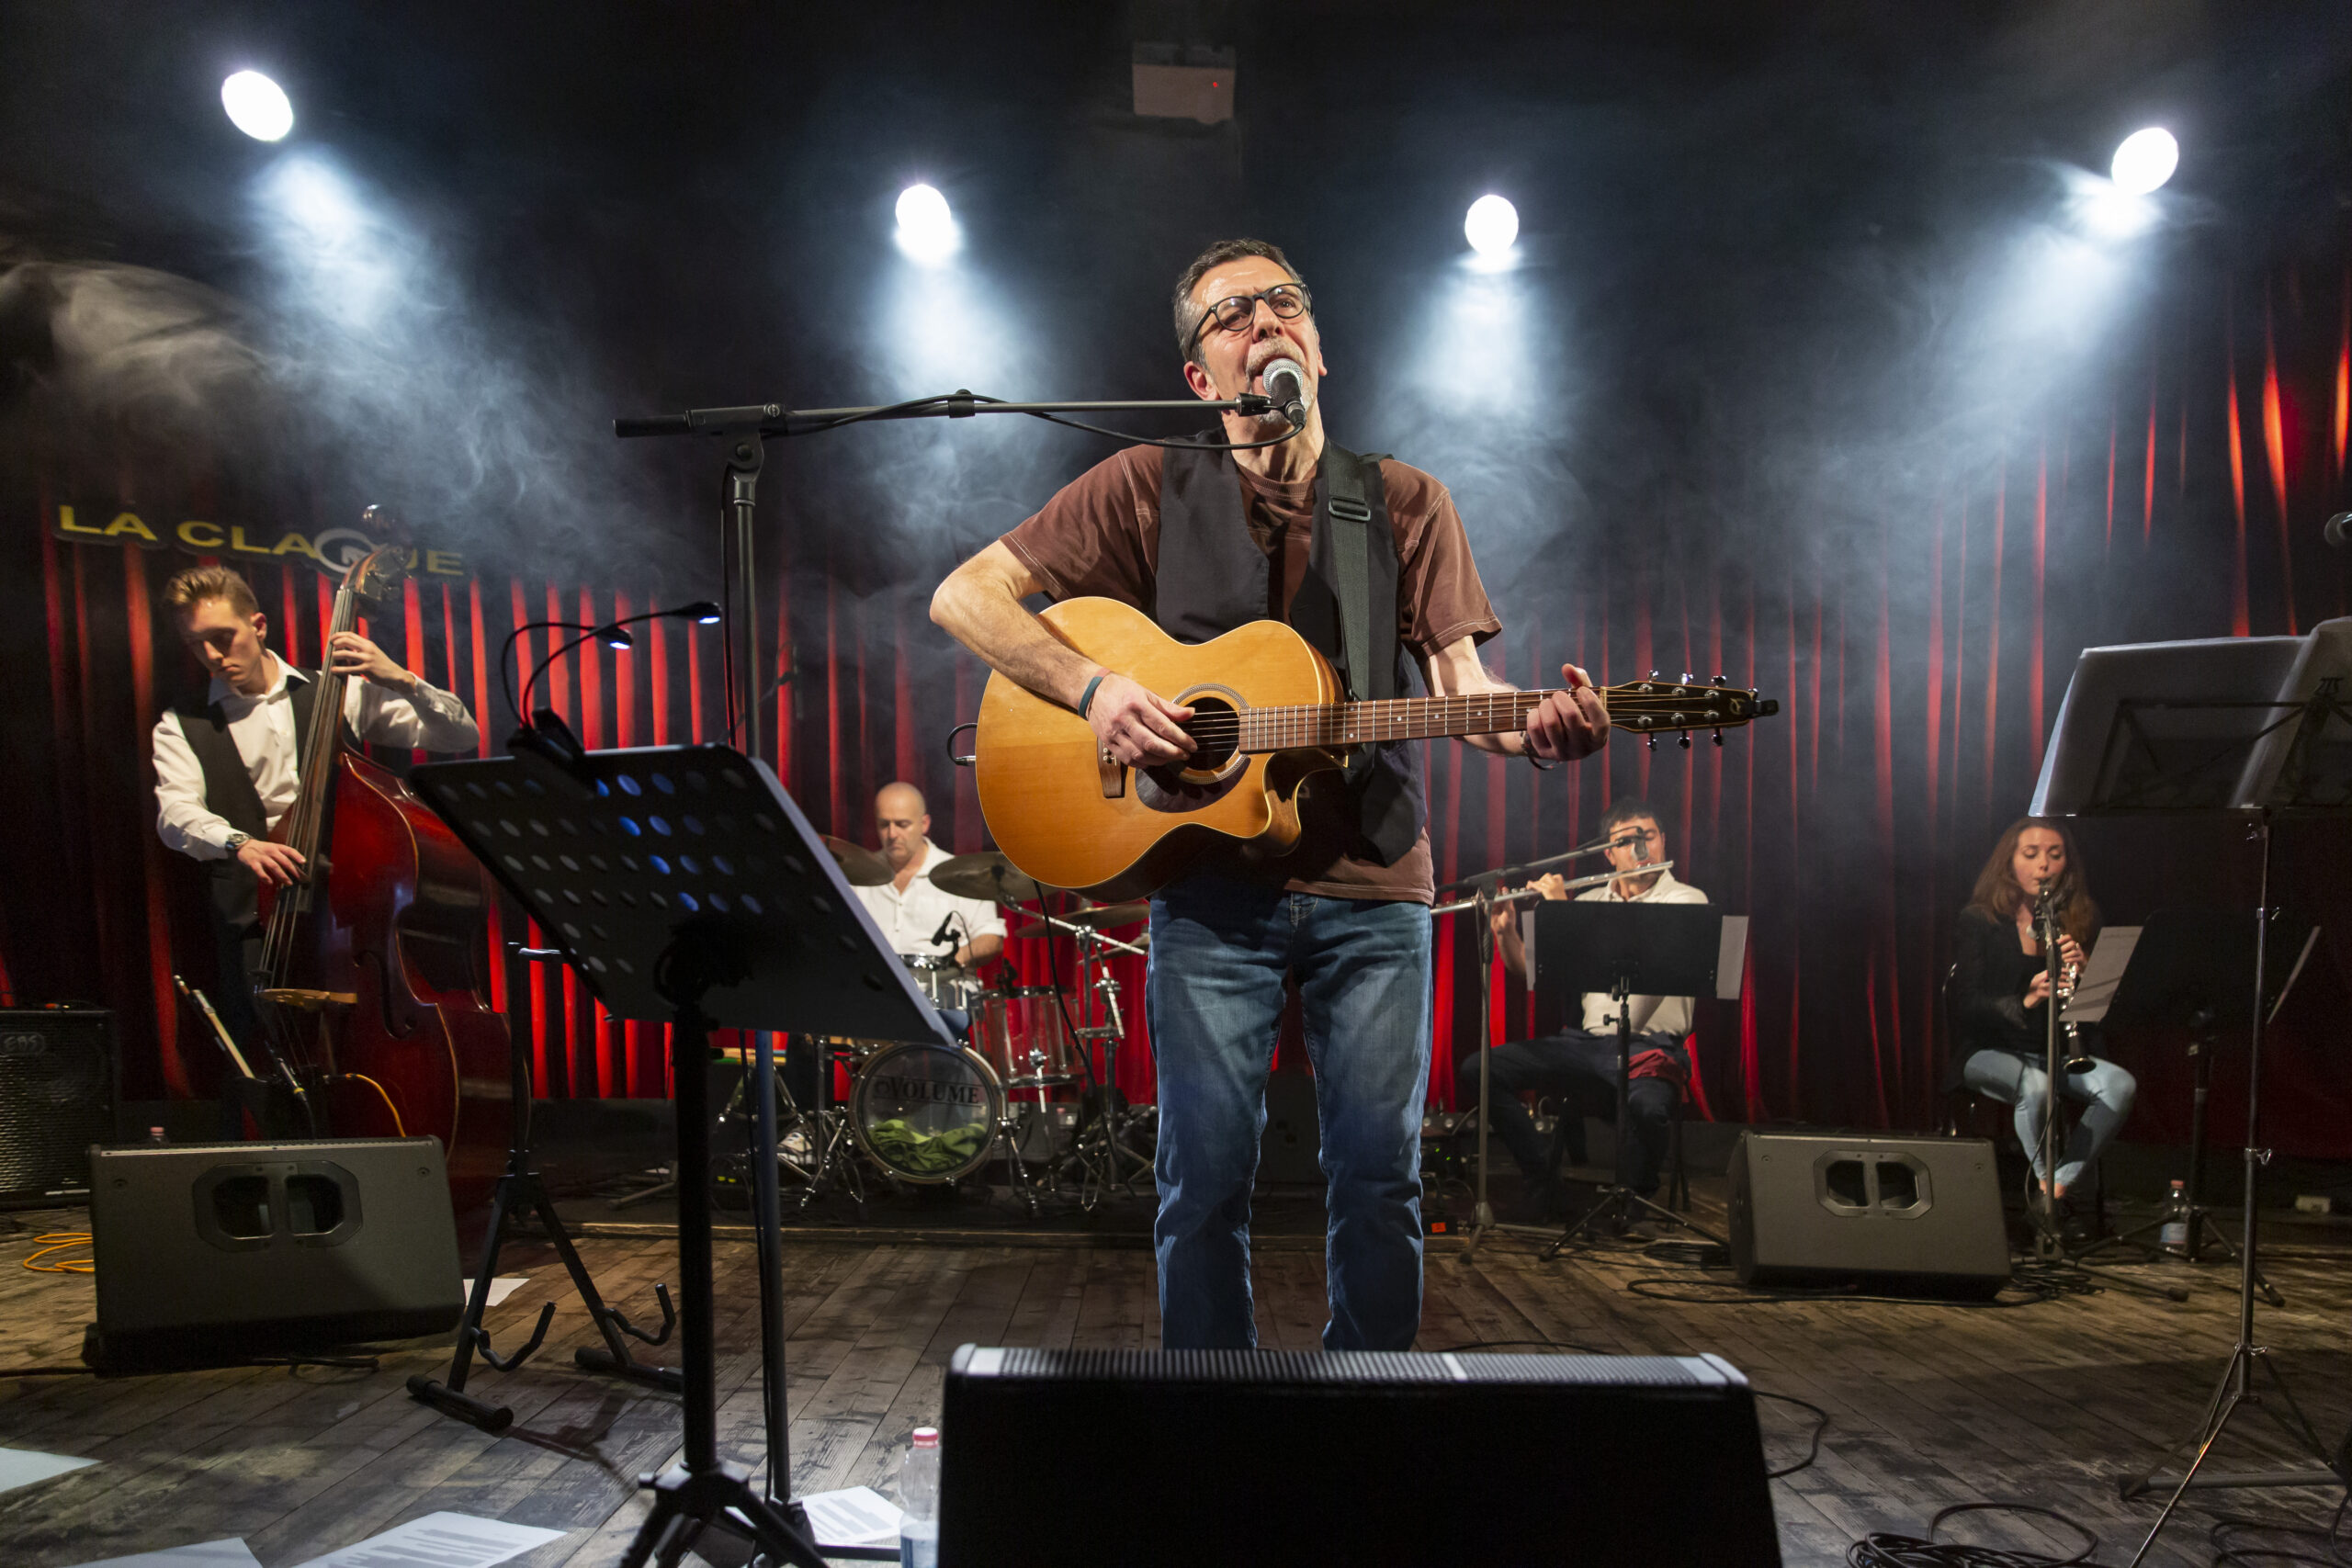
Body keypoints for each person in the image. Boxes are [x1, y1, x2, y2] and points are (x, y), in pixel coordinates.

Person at [931, 237, 1609, 1350]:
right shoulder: (1146, 483)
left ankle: (1370, 1421)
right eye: (1232, 313)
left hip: (1375, 886)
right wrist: (1096, 690)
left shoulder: (1399, 502)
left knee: (1381, 1184)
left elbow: (1463, 693)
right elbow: (968, 597)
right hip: (1207, 895)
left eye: (1284, 302)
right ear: (1201, 377)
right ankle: (1209, 1429)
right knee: (1200, 1189)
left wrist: (1537, 730)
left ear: (1319, 348)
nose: (1266, 321)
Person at [150, 563, 480, 1068]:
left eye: (223, 637)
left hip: (349, 909)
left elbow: (461, 736)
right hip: (260, 922)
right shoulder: (181, 723)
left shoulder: (335, 689)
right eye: (197, 644)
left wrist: (402, 678)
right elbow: (175, 814)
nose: (213, 656)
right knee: (265, 1063)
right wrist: (242, 844)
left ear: (258, 627)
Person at [1460, 798, 1706, 1223]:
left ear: (1663, 842)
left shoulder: (1686, 900)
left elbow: (1641, 975)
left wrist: (1562, 911)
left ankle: (1634, 1202)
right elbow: (1529, 971)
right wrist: (1506, 933)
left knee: (1648, 1108)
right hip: (1587, 1043)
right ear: (1608, 854)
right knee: (1479, 1070)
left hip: (1651, 1046)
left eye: (1646, 838)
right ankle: (1543, 1177)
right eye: (1625, 843)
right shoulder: (1592, 897)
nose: (1639, 849)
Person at [1948, 817, 2135, 1221]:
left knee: (2120, 1086)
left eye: (2055, 854)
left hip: (2057, 1052)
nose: (2043, 866)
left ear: (2068, 864)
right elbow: (1968, 1006)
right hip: (1989, 1050)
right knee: (2035, 1086)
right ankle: (2047, 1194)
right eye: (2030, 855)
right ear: (2009, 863)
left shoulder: (2084, 918)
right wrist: (2029, 998)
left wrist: (2087, 977)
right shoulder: (1979, 920)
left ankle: (2055, 1186)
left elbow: (2103, 1015)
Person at [851, 782, 1007, 969]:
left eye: (902, 824)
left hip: (943, 990)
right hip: (878, 991)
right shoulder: (859, 876)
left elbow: (991, 937)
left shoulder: (960, 875)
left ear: (924, 824)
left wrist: (950, 963)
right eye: (884, 824)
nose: (892, 834)